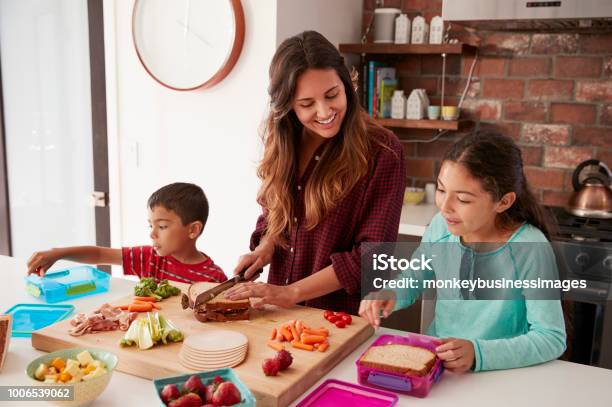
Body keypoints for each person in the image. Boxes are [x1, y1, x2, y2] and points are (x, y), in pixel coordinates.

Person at [224, 31, 405, 315]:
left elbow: (373, 258)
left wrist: (291, 292)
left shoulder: (383, 151)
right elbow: (275, 213)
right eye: (307, 104)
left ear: (346, 85)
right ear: (288, 106)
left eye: (332, 95)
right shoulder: (283, 141)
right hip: (277, 314)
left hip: (335, 320)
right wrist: (265, 248)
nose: (324, 112)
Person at [359, 132, 567, 373]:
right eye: (441, 190)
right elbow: (414, 279)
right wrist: (390, 294)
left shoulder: (530, 247)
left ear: (503, 202)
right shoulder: (441, 227)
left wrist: (478, 354)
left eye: (463, 199)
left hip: (501, 373)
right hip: (439, 366)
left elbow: (551, 338)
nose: (445, 207)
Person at [27, 182, 227, 284]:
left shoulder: (213, 278)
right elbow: (99, 254)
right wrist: (58, 253)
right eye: (150, 226)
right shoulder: (149, 258)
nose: (153, 234)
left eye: (162, 226)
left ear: (193, 229)